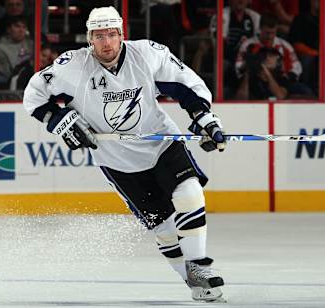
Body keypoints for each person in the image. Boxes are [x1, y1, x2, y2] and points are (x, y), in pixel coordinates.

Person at [23, 6, 227, 303]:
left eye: (112, 34)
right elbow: (33, 95)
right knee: (165, 229)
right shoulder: (72, 65)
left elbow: (187, 85)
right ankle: (194, 282)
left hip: (160, 143)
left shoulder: (147, 54)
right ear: (89, 38)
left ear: (122, 35)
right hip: (116, 161)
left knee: (189, 193)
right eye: (99, 36)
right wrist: (59, 120)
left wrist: (202, 117)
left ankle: (199, 265)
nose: (106, 42)